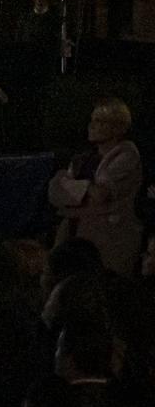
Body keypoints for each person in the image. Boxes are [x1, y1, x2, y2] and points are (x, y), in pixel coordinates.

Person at [47, 97, 144, 275]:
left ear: (117, 127)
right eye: (92, 120)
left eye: (99, 121)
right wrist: (84, 190)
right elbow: (55, 193)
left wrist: (71, 187)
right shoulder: (82, 159)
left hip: (110, 240)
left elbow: (100, 195)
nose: (92, 125)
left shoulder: (127, 156)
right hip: (74, 234)